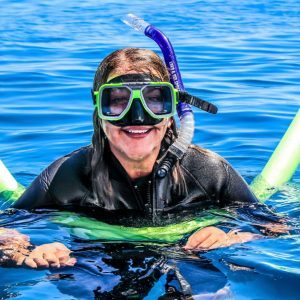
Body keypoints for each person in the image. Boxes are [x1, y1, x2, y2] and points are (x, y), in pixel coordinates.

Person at [0, 48, 279, 269]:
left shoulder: (210, 173)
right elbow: (7, 232)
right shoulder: (66, 177)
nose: (137, 117)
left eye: (155, 99)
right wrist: (30, 252)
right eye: (118, 101)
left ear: (172, 110)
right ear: (99, 108)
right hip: (91, 261)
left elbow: (277, 228)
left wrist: (233, 238)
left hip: (189, 260)